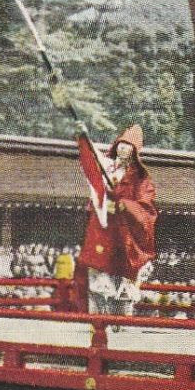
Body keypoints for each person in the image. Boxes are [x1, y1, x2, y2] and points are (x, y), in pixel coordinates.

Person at [76, 125, 159, 316]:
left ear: (134, 151)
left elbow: (146, 207)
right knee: (97, 277)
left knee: (123, 284)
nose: (122, 148)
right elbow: (91, 162)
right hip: (104, 229)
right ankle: (96, 320)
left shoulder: (140, 179)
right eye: (120, 144)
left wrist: (124, 206)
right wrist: (82, 137)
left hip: (124, 233)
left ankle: (121, 321)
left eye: (127, 145)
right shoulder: (106, 166)